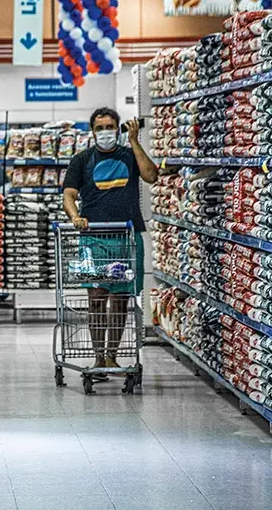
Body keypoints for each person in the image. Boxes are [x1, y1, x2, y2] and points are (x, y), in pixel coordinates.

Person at [62, 107, 157, 370]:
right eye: (100, 128)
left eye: (110, 127)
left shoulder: (129, 156)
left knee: (120, 299)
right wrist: (75, 217)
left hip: (126, 236)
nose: (105, 133)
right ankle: (98, 356)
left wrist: (135, 141)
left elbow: (151, 175)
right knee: (96, 296)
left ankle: (112, 355)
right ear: (92, 132)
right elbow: (69, 195)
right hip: (94, 239)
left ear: (118, 129)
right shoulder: (81, 160)